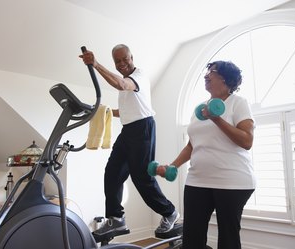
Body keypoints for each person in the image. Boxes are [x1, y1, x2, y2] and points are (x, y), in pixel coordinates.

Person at [79, 44, 179, 237]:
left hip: (143, 129)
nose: (122, 63)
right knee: (113, 172)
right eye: (118, 61)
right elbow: (125, 112)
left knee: (141, 177)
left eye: (125, 59)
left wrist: (96, 64)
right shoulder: (125, 83)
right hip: (129, 130)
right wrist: (102, 111)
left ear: (132, 57)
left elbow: (122, 85)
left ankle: (170, 212)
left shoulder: (137, 77)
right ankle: (116, 219)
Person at [155, 61, 256, 249]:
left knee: (228, 238)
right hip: (197, 180)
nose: (206, 75)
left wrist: (216, 119)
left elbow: (246, 141)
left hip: (232, 181)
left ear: (226, 79)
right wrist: (173, 166)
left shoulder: (238, 103)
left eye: (212, 72)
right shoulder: (200, 109)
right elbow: (192, 145)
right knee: (191, 237)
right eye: (207, 72)